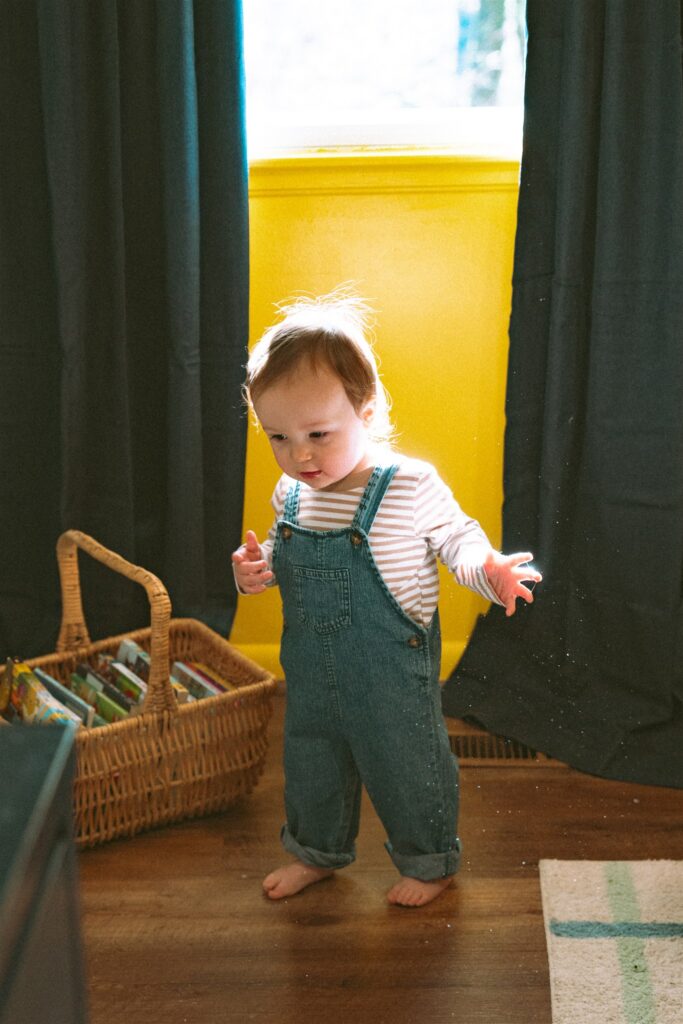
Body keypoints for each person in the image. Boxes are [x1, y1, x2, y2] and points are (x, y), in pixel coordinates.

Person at [232, 291, 541, 907]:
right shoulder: (290, 495)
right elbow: (279, 553)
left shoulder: (407, 484)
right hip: (312, 673)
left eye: (319, 433)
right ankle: (315, 851)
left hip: (390, 673)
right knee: (312, 762)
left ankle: (430, 861)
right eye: (279, 437)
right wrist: (254, 570)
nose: (300, 455)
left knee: (408, 764)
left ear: (367, 412)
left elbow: (457, 539)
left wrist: (489, 570)